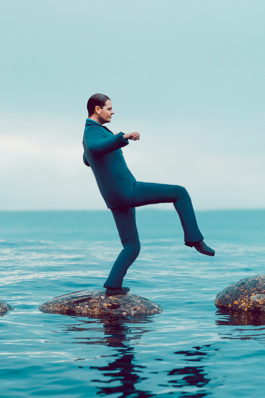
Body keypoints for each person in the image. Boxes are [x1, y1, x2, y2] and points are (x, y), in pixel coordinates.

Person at [82, 93, 215, 296]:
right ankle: (195, 239)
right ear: (97, 109)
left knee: (132, 246)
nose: (112, 111)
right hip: (126, 191)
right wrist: (122, 137)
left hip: (114, 198)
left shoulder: (92, 132)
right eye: (109, 108)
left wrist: (97, 153)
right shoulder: (92, 132)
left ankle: (113, 285)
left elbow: (87, 157)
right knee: (179, 192)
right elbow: (93, 147)